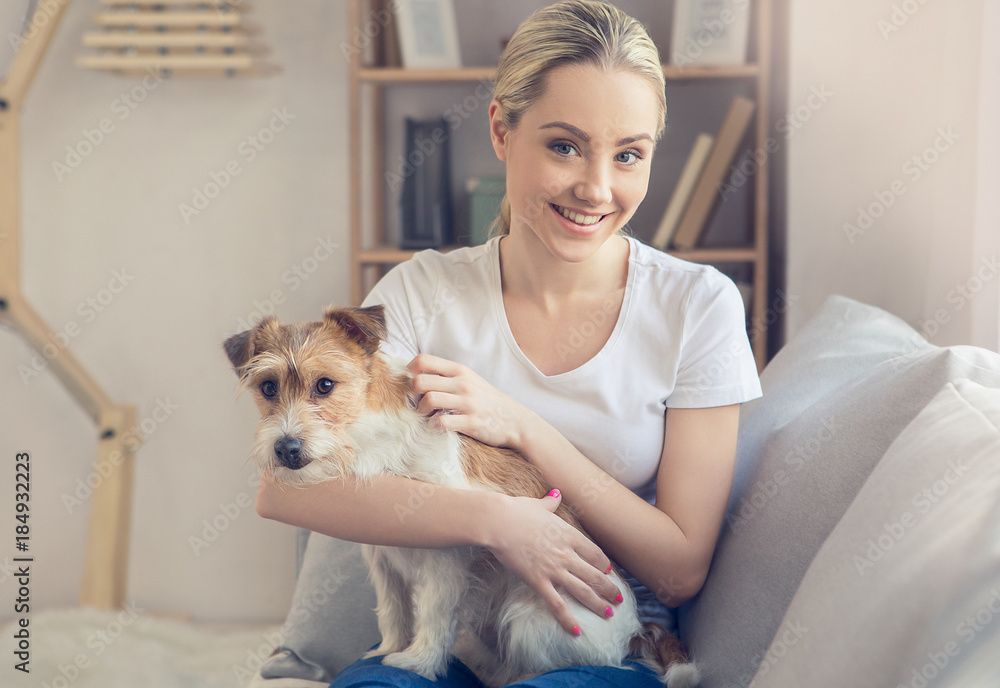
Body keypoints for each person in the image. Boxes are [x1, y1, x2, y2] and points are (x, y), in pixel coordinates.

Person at [255, 1, 762, 686]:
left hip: (591, 636)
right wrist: (499, 521)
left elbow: (677, 569)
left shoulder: (696, 307)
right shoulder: (421, 291)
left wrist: (523, 427)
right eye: (564, 145)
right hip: (450, 645)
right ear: (501, 128)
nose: (597, 187)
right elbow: (289, 492)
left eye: (629, 154)